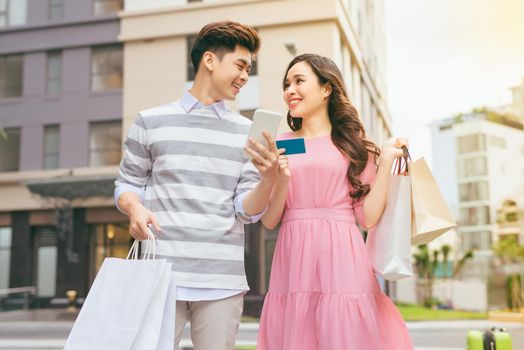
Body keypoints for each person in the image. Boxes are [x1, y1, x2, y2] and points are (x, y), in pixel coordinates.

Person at [115, 21, 281, 350]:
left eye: (249, 68)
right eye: (240, 65)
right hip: (160, 272)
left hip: (222, 280)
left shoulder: (246, 132)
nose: (245, 76)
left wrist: (269, 178)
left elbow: (246, 210)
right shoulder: (150, 120)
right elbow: (127, 184)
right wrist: (135, 208)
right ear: (209, 60)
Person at [257, 53, 414, 349]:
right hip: (294, 255)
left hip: (344, 254)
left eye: (299, 81)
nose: (290, 90)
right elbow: (268, 219)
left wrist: (384, 163)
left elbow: (366, 217)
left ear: (326, 88)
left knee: (344, 333)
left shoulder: (353, 146)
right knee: (298, 331)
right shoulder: (283, 143)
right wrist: (281, 180)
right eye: (286, 83)